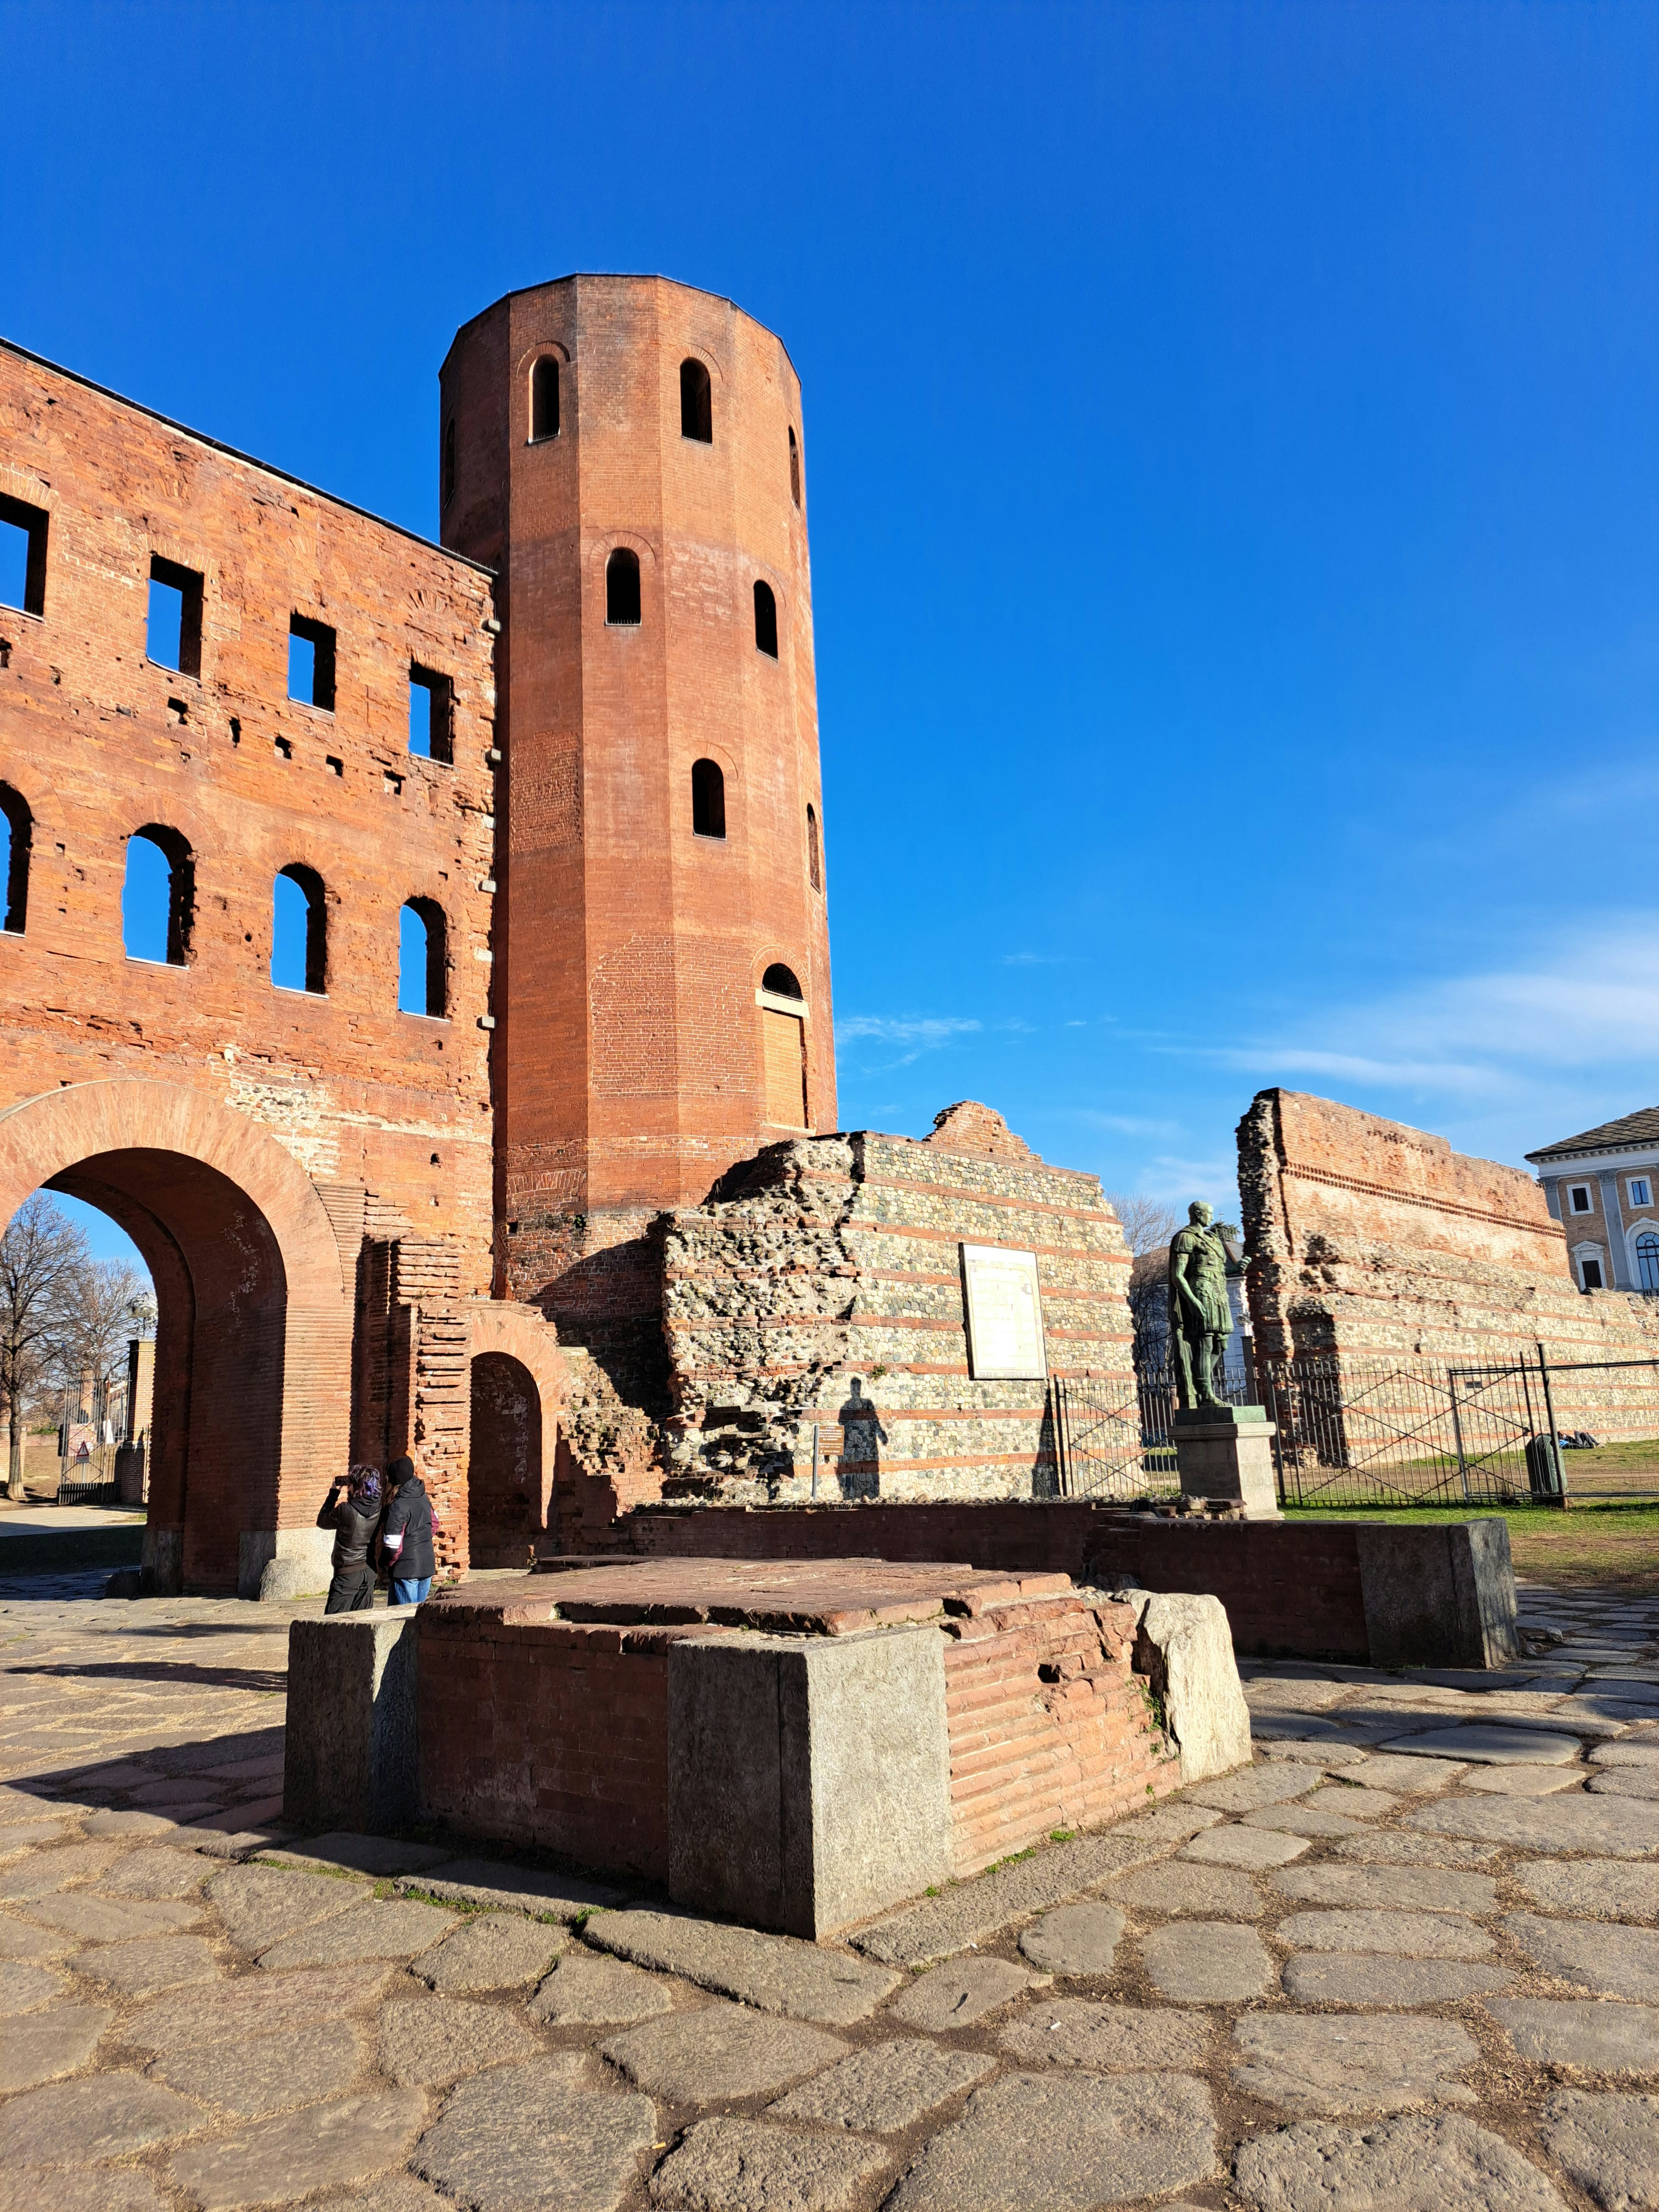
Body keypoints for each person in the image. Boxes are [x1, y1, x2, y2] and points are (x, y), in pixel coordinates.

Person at [318, 1464, 382, 1615]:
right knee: (362, 1622)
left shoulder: (345, 1510)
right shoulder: (379, 1507)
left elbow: (322, 1521)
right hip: (369, 1570)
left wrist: (333, 1494)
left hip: (348, 1571)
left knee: (333, 1622)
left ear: (355, 1486)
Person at [379, 1454, 435, 1606]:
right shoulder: (423, 1497)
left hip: (405, 1570)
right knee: (417, 1618)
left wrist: (384, 1563)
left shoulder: (399, 1505)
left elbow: (393, 1545)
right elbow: (435, 1525)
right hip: (427, 1565)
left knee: (403, 1619)